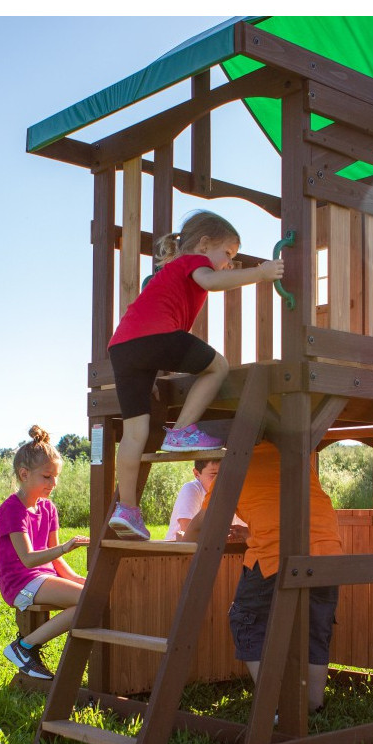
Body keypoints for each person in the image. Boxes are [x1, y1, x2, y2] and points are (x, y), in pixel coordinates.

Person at [106, 210, 284, 541]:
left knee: (134, 433)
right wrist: (261, 273)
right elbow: (211, 282)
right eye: (227, 253)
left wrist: (152, 374)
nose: (229, 263)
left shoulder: (170, 271)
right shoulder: (192, 262)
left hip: (123, 347)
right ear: (203, 244)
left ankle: (127, 509)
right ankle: (181, 431)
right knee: (218, 366)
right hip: (155, 337)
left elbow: (149, 326)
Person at [185, 441, 341, 712]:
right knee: (315, 627)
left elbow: (203, 522)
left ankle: (277, 706)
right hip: (327, 554)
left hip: (275, 557)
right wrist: (252, 532)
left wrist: (183, 543)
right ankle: (313, 705)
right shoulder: (293, 454)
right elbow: (284, 506)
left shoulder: (236, 463)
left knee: (246, 621)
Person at [0, 426, 90, 680]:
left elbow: (55, 560)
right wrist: (64, 547)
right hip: (20, 583)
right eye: (47, 476)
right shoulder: (12, 510)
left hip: (44, 578)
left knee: (92, 595)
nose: (53, 483)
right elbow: (28, 559)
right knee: (88, 602)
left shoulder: (48, 509)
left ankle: (31, 650)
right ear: (24, 474)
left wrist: (78, 579)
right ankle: (24, 647)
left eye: (56, 477)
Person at [167, 459, 248, 542]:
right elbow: (188, 533)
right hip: (182, 549)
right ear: (197, 474)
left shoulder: (234, 492)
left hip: (219, 548)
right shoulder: (192, 489)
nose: (222, 480)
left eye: (227, 474)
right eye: (214, 474)